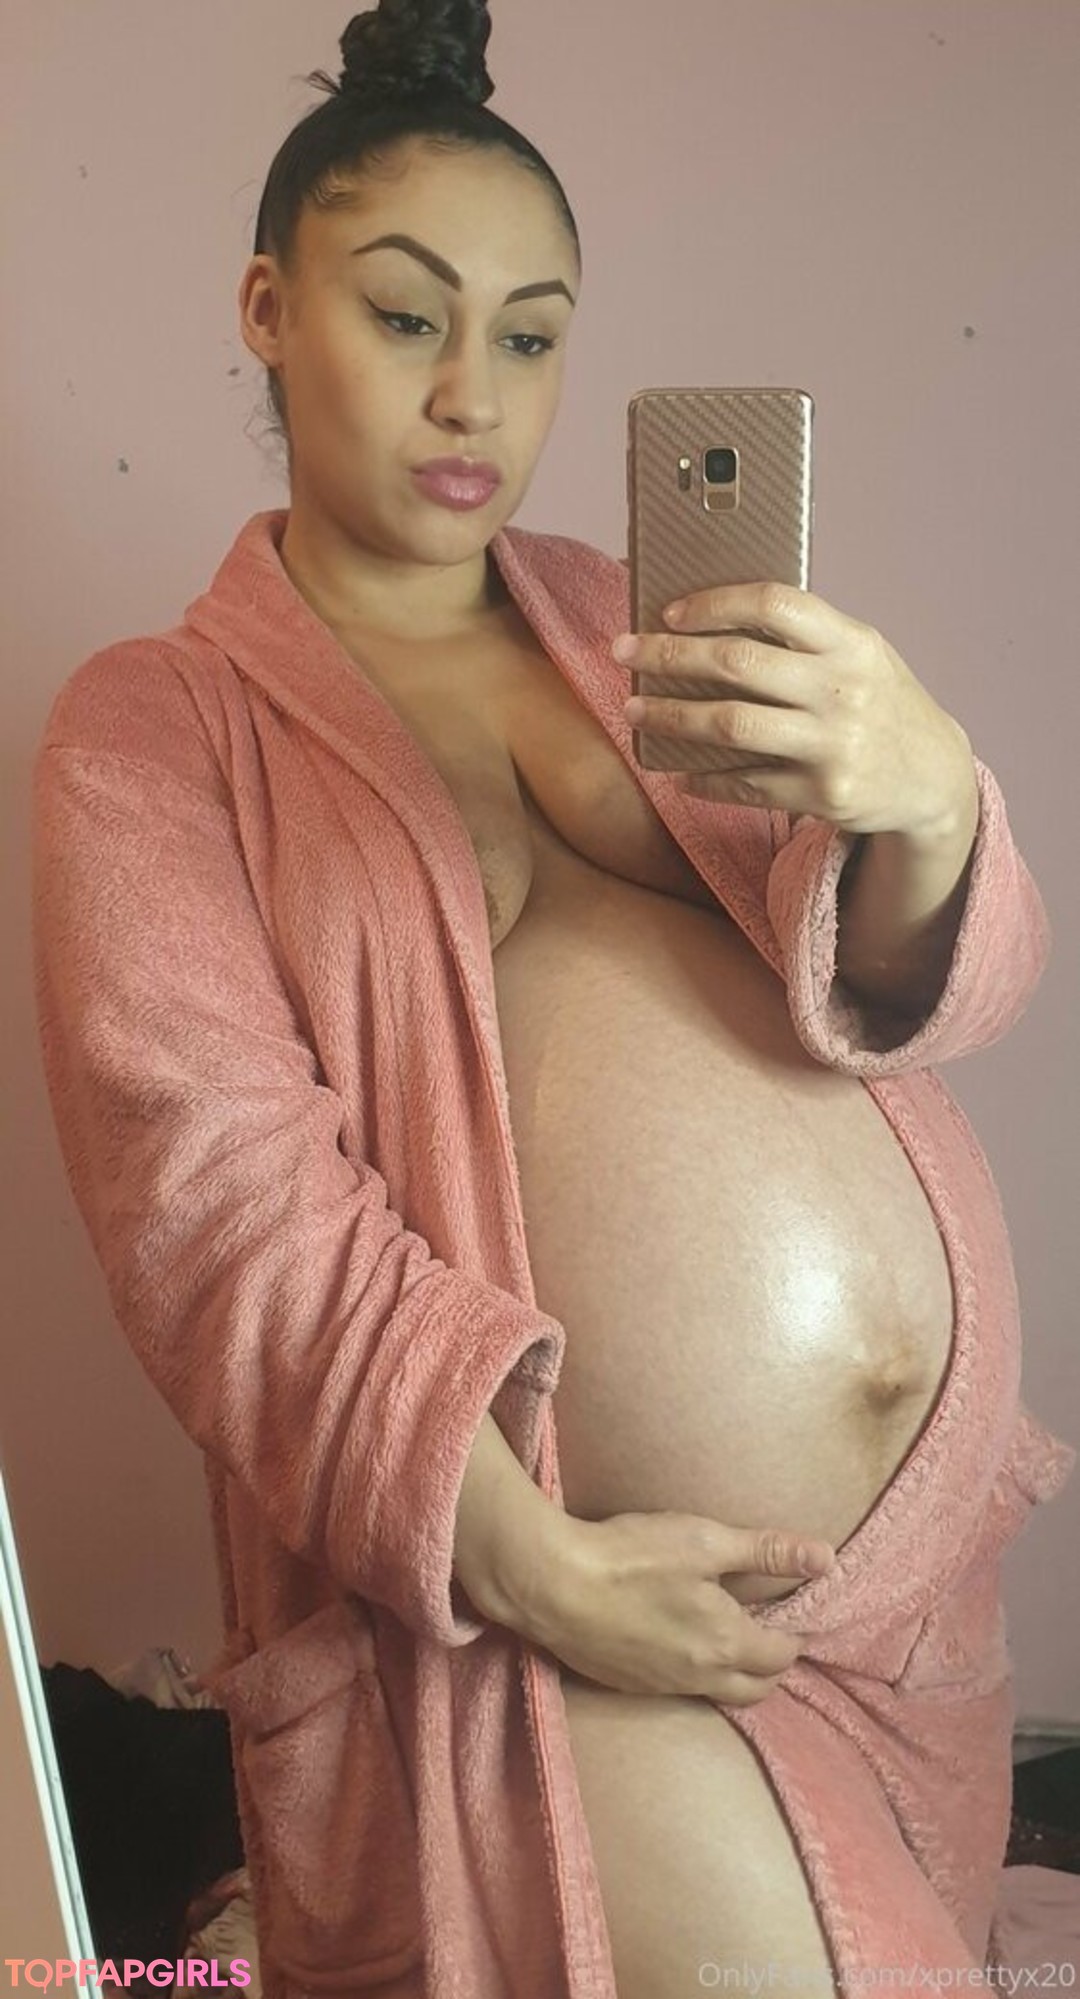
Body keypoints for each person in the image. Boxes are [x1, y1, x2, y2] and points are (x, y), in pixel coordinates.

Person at [30, 4, 1076, 1997]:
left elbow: (904, 992)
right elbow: (218, 1219)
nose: (472, 394)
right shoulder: (155, 729)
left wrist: (928, 805)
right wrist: (547, 1569)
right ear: (267, 309)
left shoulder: (628, 623)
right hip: (546, 1634)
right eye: (404, 313)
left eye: (530, 335)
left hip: (908, 1614)